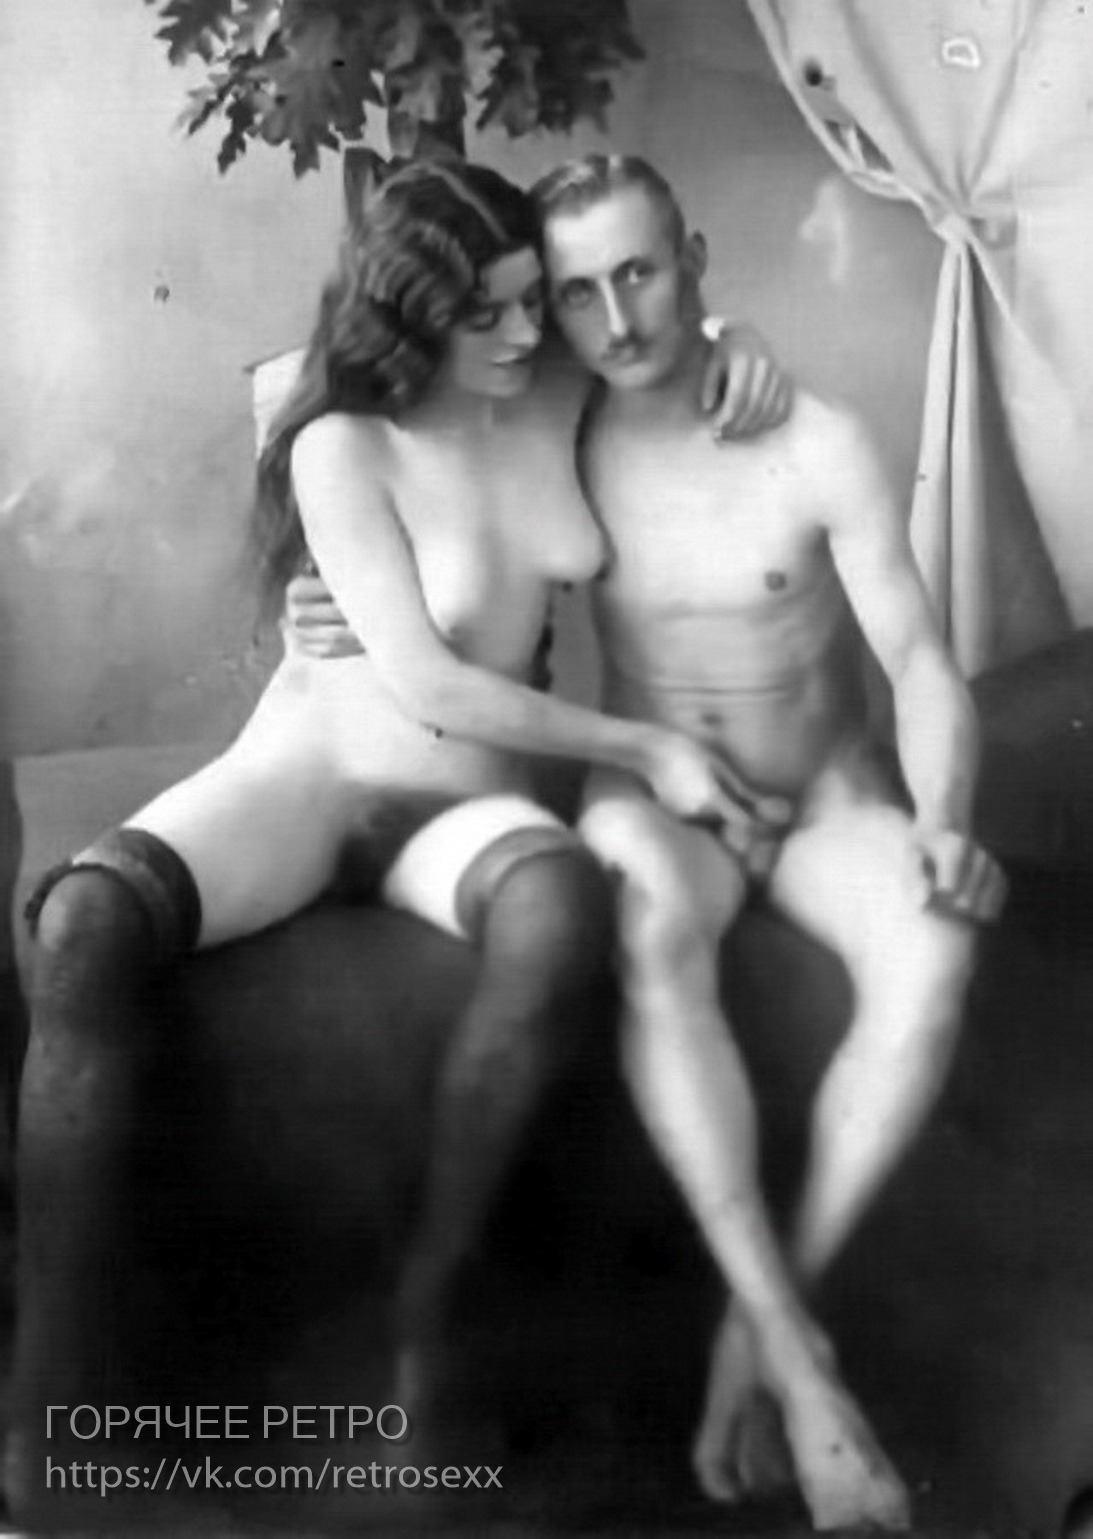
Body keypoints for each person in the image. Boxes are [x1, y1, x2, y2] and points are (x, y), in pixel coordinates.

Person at [7, 158, 789, 1517]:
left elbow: (672, 341)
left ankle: (433, 1336)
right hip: (307, 771)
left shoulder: (556, 389)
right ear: (409, 317)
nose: (523, 331)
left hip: (466, 799)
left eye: (530, 300)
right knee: (85, 922)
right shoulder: (339, 442)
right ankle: (47, 1421)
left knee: (559, 915)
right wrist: (647, 747)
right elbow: (422, 677)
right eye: (484, 313)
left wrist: (745, 340)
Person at [288, 153, 1007, 1532]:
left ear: (692, 261)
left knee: (933, 953)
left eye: (640, 275)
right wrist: (312, 595)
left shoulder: (813, 437)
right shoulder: (553, 423)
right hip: (661, 806)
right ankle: (806, 1368)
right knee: (645, 923)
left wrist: (944, 823)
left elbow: (919, 660)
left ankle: (760, 1329)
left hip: (828, 803)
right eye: (577, 293)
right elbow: (372, 423)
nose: (615, 320)